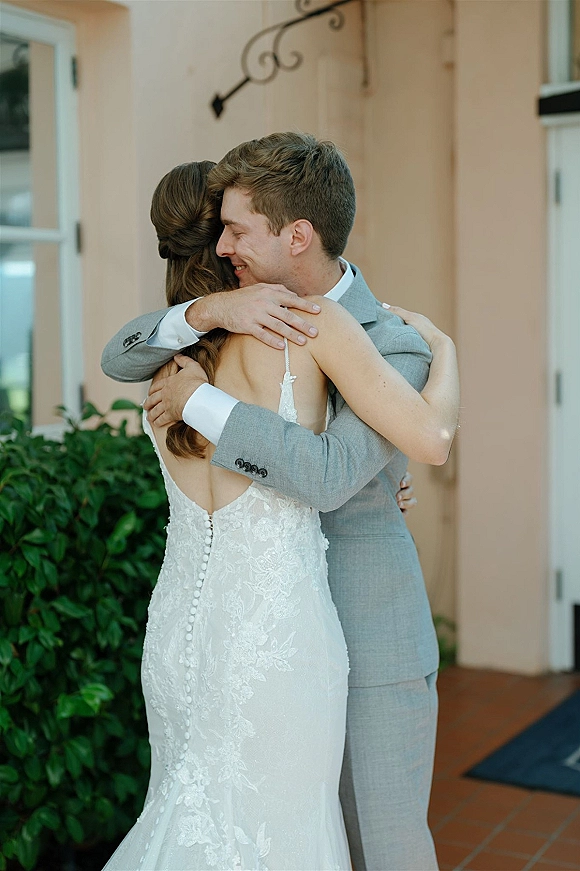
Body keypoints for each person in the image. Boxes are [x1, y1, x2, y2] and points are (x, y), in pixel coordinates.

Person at [102, 134, 460, 871]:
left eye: (241, 230)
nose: (229, 245)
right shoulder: (213, 327)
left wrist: (446, 353)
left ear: (295, 235)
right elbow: (119, 353)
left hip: (364, 634)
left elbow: (337, 475)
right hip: (250, 637)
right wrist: (209, 312)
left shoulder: (388, 338)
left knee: (382, 849)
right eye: (223, 231)